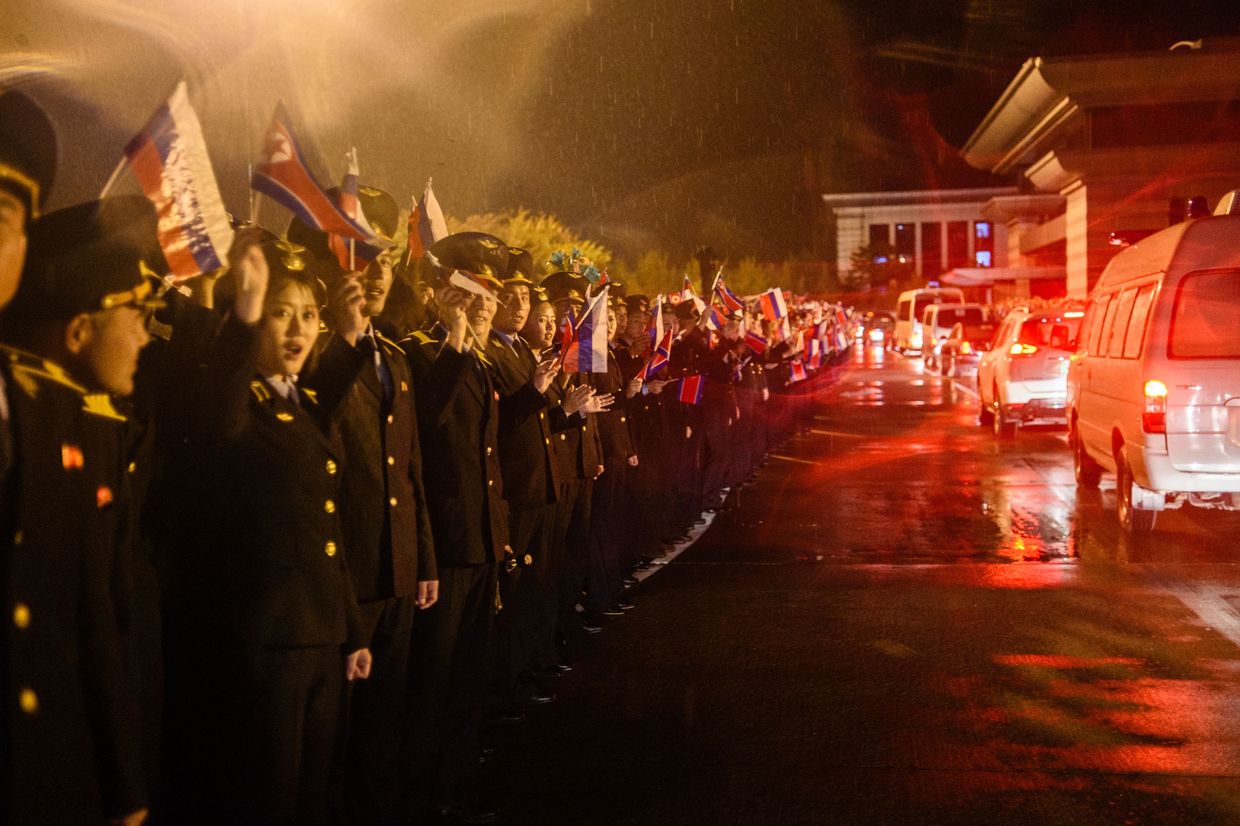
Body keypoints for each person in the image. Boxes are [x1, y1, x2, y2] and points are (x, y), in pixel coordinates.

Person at [155, 230, 371, 825]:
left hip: (318, 639)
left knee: (310, 796)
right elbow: (219, 406)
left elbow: (324, 533)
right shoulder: (231, 404)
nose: (299, 330)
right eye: (282, 315)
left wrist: (349, 630)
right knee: (263, 799)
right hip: (262, 645)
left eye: (308, 316)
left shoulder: (297, 404)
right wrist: (246, 309)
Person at [0, 193, 156, 826]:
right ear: (77, 331)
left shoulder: (65, 419)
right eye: (138, 315)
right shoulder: (49, 420)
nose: (148, 334)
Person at [294, 184, 440, 825]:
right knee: (332, 741)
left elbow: (408, 471)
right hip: (342, 572)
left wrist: (424, 559)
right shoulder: (313, 361)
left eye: (384, 261)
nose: (378, 274)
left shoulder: (395, 360)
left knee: (384, 722)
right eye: (362, 259)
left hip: (396, 566)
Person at [403, 233, 510, 824]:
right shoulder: (425, 352)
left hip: (481, 536)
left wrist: (501, 529)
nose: (485, 305)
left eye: (490, 296)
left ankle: (458, 782)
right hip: (445, 540)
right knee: (433, 680)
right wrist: (454, 339)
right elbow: (430, 419)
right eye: (476, 293)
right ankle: (422, 791)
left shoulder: (483, 357)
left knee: (469, 677)